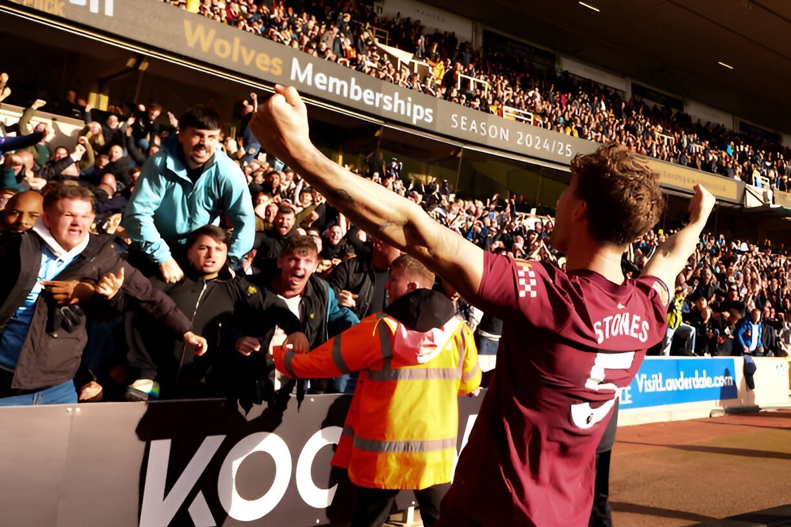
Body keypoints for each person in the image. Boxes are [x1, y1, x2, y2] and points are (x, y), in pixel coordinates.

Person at [250, 85, 716, 526]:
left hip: (495, 514)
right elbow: (671, 258)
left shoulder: (549, 296)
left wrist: (301, 154)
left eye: (567, 190)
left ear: (579, 211)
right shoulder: (647, 310)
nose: (558, 200)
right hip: (565, 516)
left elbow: (418, 234)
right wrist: (697, 222)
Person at [273, 255, 481, 527]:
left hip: (384, 455)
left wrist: (280, 356)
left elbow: (324, 362)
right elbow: (470, 383)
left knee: (368, 522)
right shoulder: (460, 332)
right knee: (442, 520)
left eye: (393, 279)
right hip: (434, 456)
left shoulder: (379, 328)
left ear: (412, 285)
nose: (386, 286)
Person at [0, 184, 207, 405]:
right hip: (5, 377)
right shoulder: (17, 246)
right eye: (68, 215)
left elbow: (148, 295)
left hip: (57, 386)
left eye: (85, 216)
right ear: (47, 219)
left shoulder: (100, 254)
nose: (77, 223)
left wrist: (186, 332)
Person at [124, 224, 307, 402]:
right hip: (157, 386)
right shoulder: (169, 279)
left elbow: (273, 305)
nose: (212, 255)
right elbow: (131, 307)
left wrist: (295, 330)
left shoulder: (237, 287)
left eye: (219, 249)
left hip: (208, 390)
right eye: (204, 248)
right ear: (189, 252)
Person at [122, 106, 255, 283]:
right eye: (198, 135)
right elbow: (137, 215)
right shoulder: (159, 164)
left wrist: (228, 261)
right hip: (155, 251)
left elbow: (245, 221)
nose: (204, 143)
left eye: (212, 137)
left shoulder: (229, 171)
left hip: (202, 257)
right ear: (181, 134)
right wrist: (163, 258)